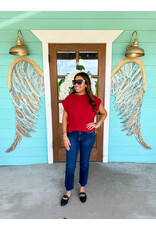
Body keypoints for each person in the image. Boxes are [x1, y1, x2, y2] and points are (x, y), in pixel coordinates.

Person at [60, 72, 107, 206]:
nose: (76, 84)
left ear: (86, 83)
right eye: (74, 82)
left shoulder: (94, 100)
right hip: (72, 136)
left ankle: (82, 189)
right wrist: (65, 136)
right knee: (70, 166)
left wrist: (97, 123)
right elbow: (64, 119)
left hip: (88, 136)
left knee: (85, 164)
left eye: (79, 82)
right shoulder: (69, 98)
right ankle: (68, 191)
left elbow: (104, 113)